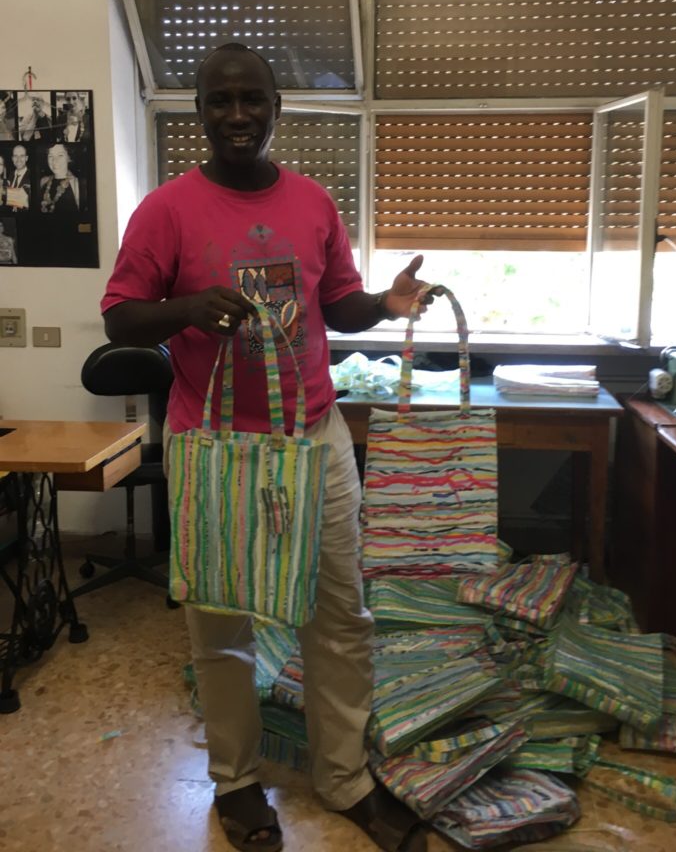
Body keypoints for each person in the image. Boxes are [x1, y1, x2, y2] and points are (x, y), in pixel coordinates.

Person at [101, 43, 435, 852]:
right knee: (221, 628)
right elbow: (119, 318)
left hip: (313, 440)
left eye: (253, 100)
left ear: (277, 107)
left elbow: (339, 306)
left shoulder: (314, 202)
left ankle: (345, 777)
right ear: (200, 114)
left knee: (339, 616)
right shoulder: (167, 210)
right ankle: (238, 784)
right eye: (221, 102)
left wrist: (384, 305)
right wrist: (185, 307)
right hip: (213, 449)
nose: (239, 115)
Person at [40, 143, 84, 214]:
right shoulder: (43, 181)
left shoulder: (80, 185)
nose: (54, 161)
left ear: (69, 158)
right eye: (51, 156)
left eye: (60, 155)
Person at [1, 145, 31, 211]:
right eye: (15, 156)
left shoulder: (32, 176)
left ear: (26, 158)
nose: (18, 159)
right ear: (12, 158)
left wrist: (3, 191)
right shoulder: (10, 175)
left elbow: (28, 202)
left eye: (22, 156)